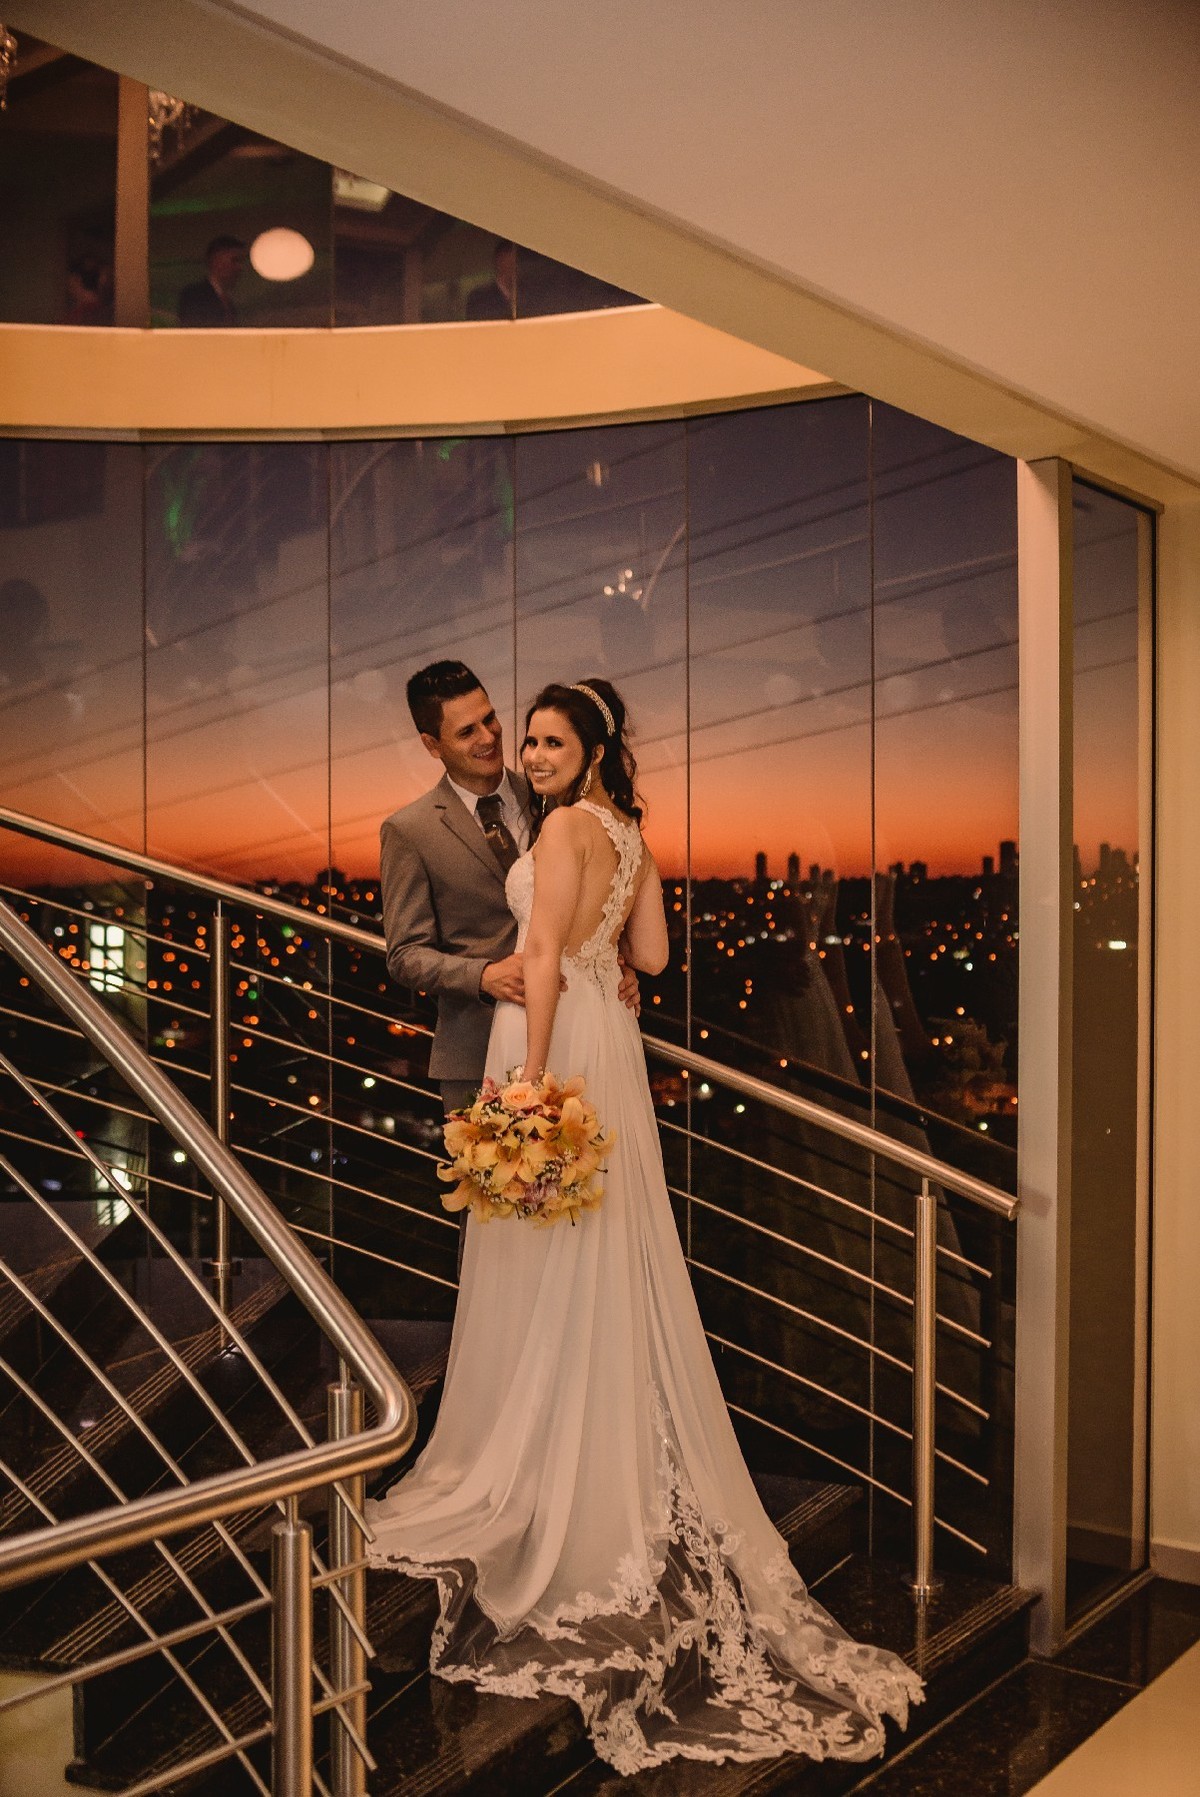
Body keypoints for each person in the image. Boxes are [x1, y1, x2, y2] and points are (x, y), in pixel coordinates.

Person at [367, 676, 922, 1774]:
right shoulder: (628, 833)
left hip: (549, 1047)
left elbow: (538, 961)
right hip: (607, 1055)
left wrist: (524, 1088)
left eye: (543, 737)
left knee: (541, 1255)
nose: (523, 753)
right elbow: (655, 963)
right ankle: (584, 1439)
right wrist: (603, 959)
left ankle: (537, 1460)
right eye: (516, 738)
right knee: (599, 1257)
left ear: (589, 748)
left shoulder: (566, 824)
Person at [378, 661, 637, 1263]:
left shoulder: (551, 789)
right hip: (476, 1055)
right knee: (499, 1239)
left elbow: (593, 890)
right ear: (431, 745)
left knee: (585, 1217)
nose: (490, 737)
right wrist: (482, 976)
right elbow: (405, 955)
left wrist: (611, 954)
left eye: (491, 718)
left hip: (572, 1037)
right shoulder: (409, 830)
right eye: (467, 731)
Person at [177, 234, 246, 326]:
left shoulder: (229, 304)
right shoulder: (194, 296)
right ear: (216, 260)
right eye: (234, 260)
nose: (240, 267)